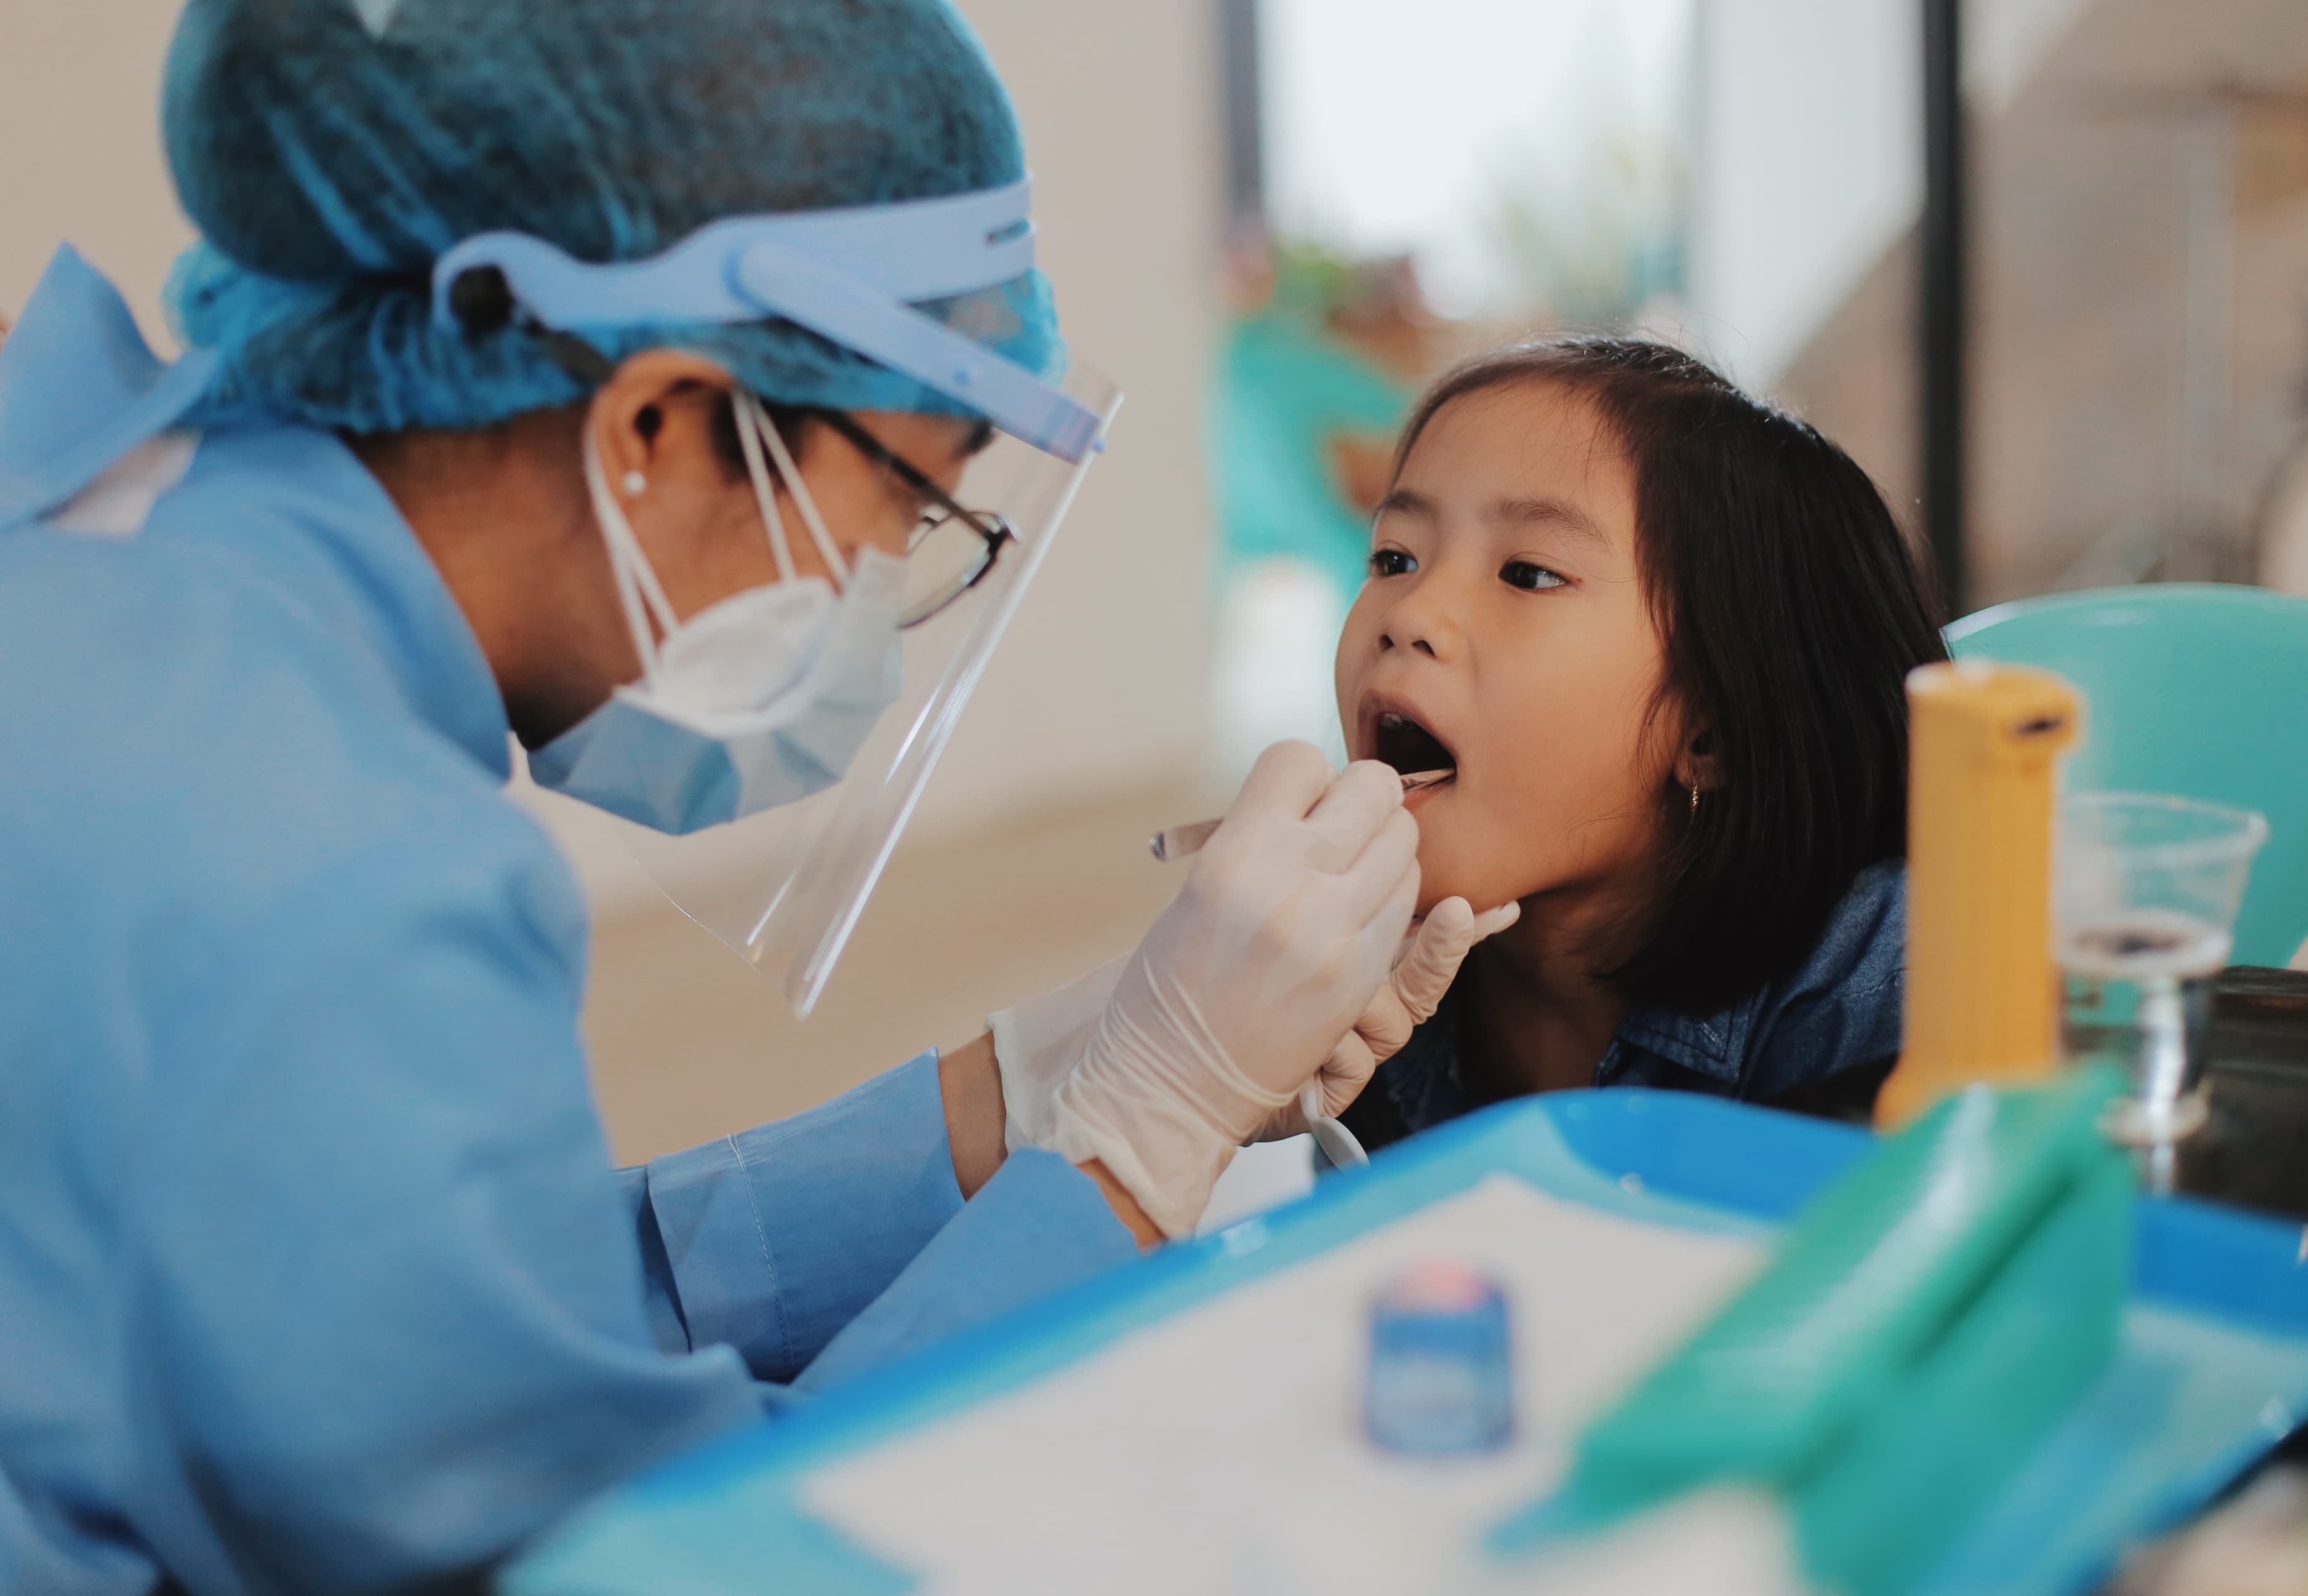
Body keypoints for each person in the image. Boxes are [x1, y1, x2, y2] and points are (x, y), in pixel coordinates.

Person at [0, 3, 1503, 1591]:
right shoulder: (337, 874)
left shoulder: (125, 537)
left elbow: (473, 1311)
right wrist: (1137, 1150)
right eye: (910, 498)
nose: (887, 583)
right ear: (659, 421)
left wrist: (1046, 1085)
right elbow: (678, 1558)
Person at [1326, 337, 1950, 1151]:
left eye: (1529, 574)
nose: (1408, 614)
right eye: (1395, 557)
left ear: (1714, 729)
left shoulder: (1886, 989)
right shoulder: (1356, 985)